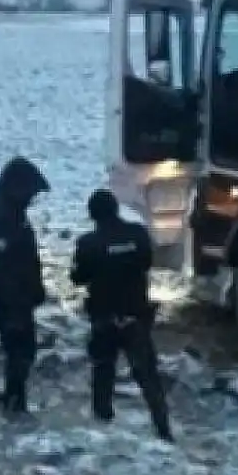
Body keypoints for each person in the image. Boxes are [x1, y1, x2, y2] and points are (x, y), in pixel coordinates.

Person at [70, 189, 174, 442]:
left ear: (93, 215)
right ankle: (163, 427)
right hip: (136, 318)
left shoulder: (88, 243)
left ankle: (102, 423)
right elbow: (148, 262)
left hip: (104, 319)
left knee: (103, 370)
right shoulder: (138, 234)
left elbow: (77, 277)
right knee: (148, 376)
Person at [0, 156, 51, 419]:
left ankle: (15, 399)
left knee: (23, 351)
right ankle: (14, 404)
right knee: (18, 351)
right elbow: (2, 266)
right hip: (9, 301)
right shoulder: (1, 219)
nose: (32, 199)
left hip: (18, 298)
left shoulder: (12, 214)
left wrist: (35, 288)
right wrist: (17, 300)